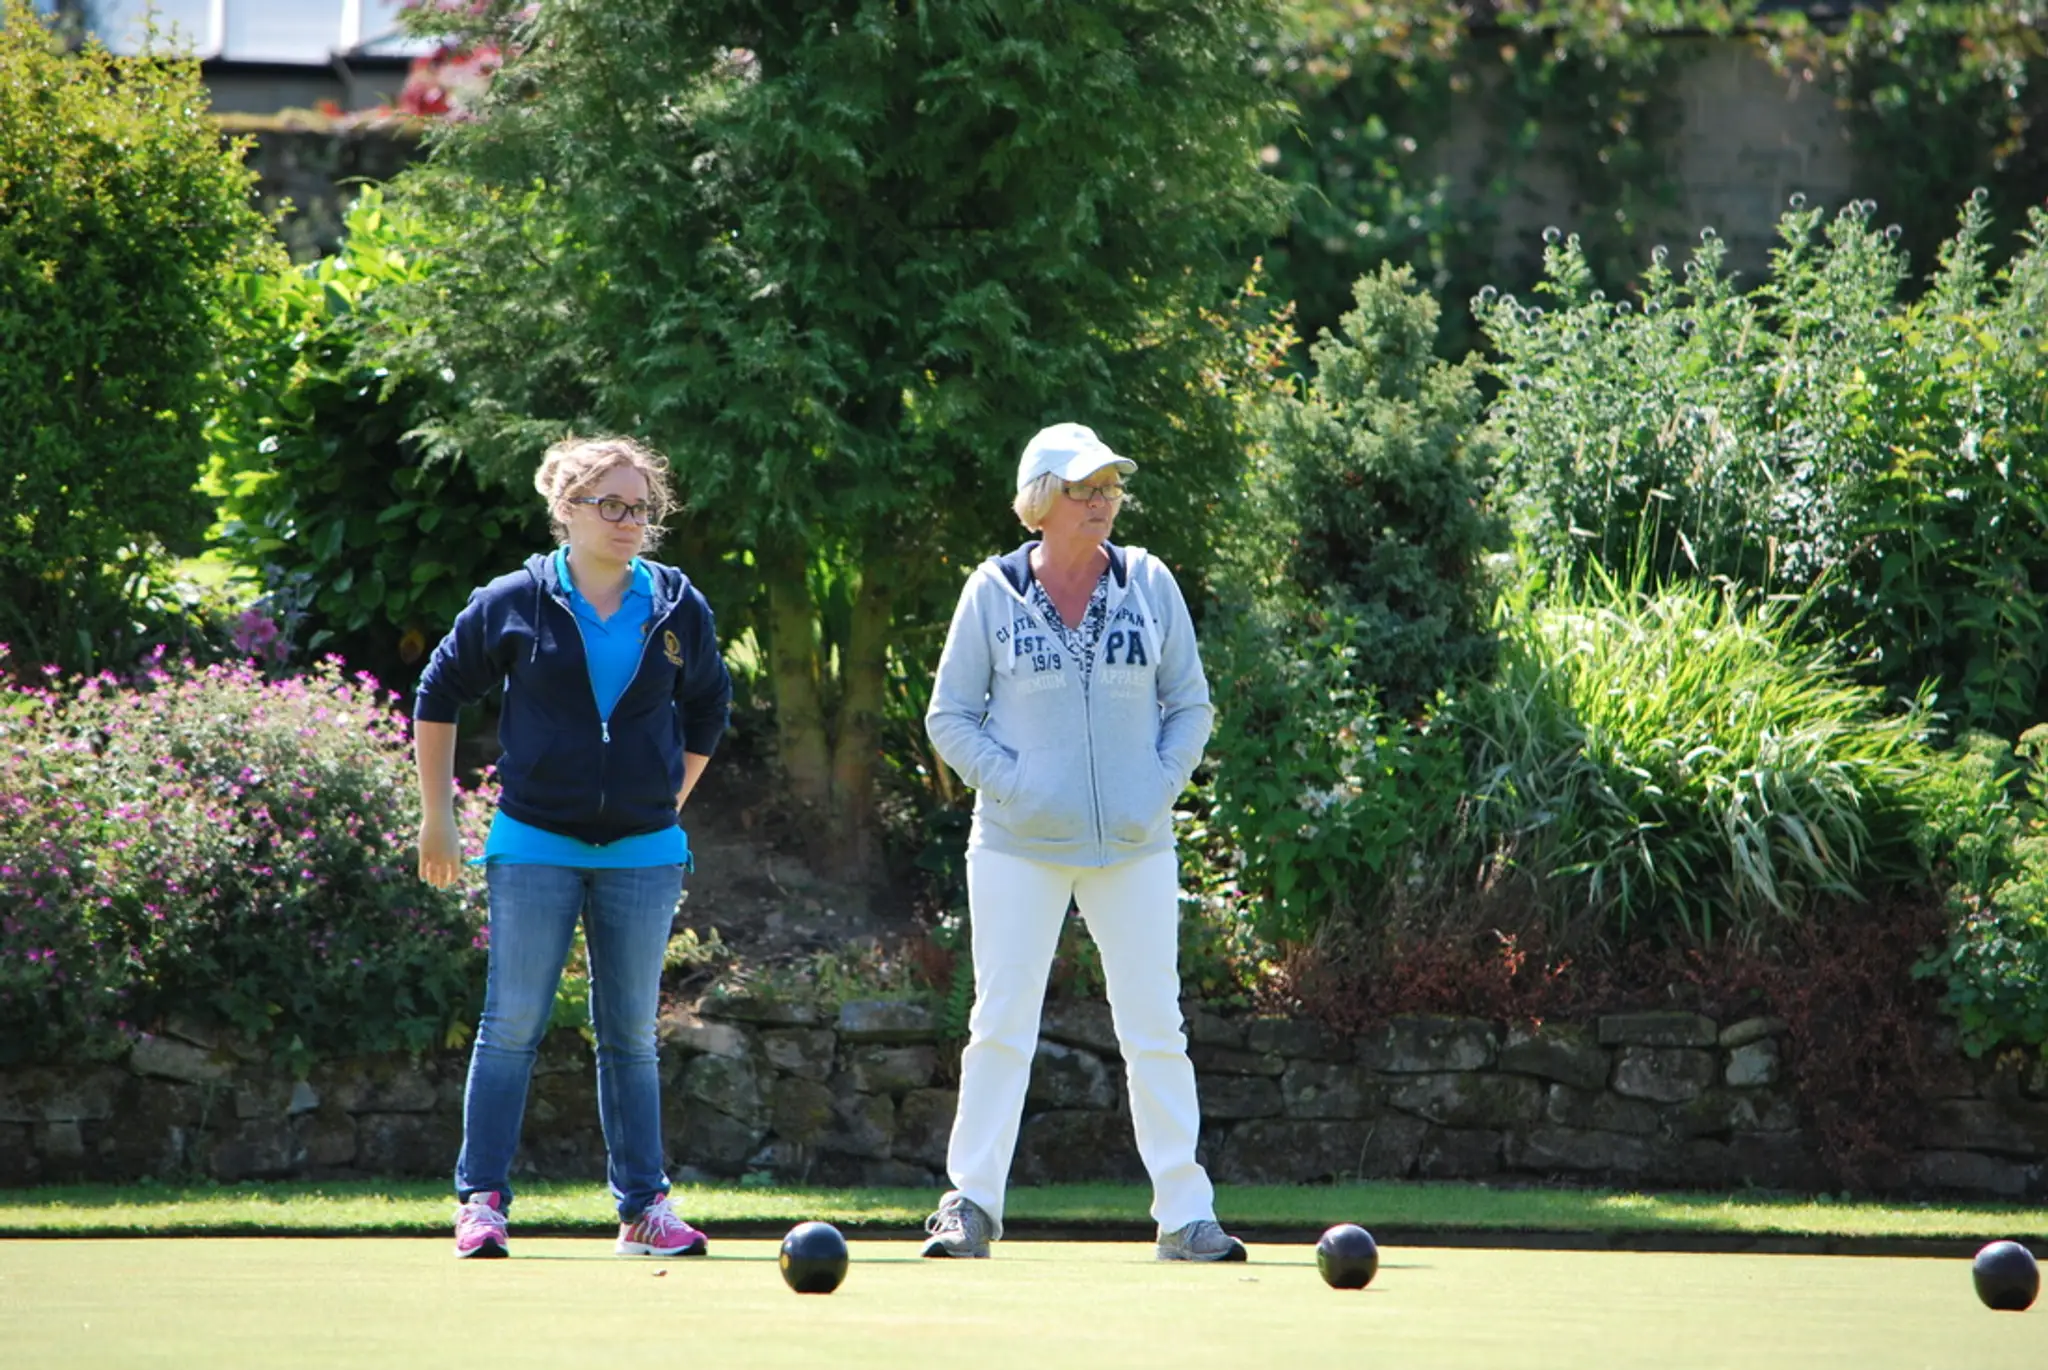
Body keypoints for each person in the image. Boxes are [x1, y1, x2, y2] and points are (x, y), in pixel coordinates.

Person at [919, 421, 1245, 1262]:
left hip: (1134, 844)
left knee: (1155, 1029)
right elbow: (948, 717)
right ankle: (970, 1207)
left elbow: (1192, 706)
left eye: (1109, 487)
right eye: (1083, 487)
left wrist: (1155, 785)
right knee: (1000, 1024)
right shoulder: (990, 592)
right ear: (1041, 503)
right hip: (1017, 843)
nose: (1102, 500)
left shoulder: (1148, 580)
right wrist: (1020, 782)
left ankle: (1185, 1215)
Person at [413, 434, 732, 1261]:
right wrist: (437, 816)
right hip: (532, 843)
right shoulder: (513, 599)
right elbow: (438, 693)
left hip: (643, 854)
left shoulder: (674, 604)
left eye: (641, 508)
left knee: (629, 1033)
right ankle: (481, 1202)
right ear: (567, 508)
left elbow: (708, 708)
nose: (630, 522)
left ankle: (643, 1210)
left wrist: (669, 799)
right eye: (611, 505)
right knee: (511, 1024)